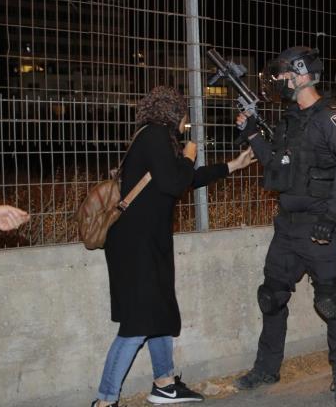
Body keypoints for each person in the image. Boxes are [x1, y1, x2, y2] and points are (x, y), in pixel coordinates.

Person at [93, 86, 256, 407]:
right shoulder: (154, 136)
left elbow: (183, 179)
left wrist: (231, 166)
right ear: (173, 113)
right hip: (135, 245)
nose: (187, 123)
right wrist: (189, 156)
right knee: (138, 324)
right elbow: (174, 183)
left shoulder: (153, 138)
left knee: (160, 311)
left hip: (145, 242)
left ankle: (164, 384)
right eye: (185, 115)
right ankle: (105, 400)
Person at [233, 47, 336, 403]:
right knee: (271, 298)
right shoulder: (289, 119)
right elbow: (277, 167)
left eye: (283, 75)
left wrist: (332, 217)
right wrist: (254, 134)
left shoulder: (332, 118)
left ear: (302, 75)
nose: (278, 81)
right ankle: (266, 369)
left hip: (321, 228)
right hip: (287, 228)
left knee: (331, 303)